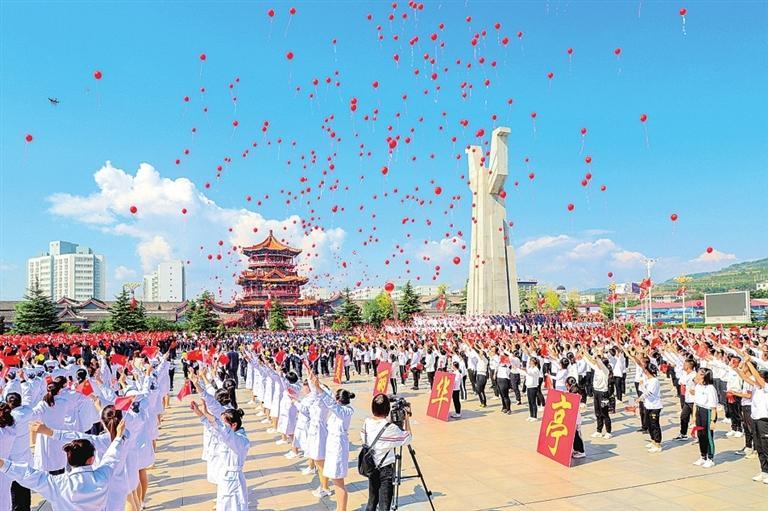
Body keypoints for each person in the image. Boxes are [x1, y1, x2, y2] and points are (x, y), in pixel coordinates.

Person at [0, 418, 128, 511]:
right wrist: (118, 437)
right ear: (92, 459)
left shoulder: (58, 484)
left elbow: (28, 474)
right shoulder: (103, 476)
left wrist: (3, 464)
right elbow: (112, 457)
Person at [191, 402, 250, 511]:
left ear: (234, 425)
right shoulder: (228, 436)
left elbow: (222, 429)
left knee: (235, 506)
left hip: (234, 480)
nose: (222, 426)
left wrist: (211, 417)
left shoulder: (240, 440)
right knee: (224, 506)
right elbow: (213, 428)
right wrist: (199, 413)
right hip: (225, 478)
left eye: (224, 423)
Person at [360, 394, 412, 511]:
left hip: (371, 466)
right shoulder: (391, 428)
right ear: (388, 410)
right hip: (385, 469)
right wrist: (407, 418)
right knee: (384, 505)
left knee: (372, 501)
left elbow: (365, 436)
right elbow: (407, 438)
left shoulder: (367, 423)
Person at [691, 367, 718, 468]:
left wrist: (712, 421)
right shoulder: (698, 386)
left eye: (700, 374)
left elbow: (713, 407)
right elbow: (695, 403)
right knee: (700, 435)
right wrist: (694, 416)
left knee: (708, 435)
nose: (697, 375)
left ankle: (710, 458)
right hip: (699, 411)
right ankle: (703, 456)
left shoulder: (710, 388)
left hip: (708, 412)